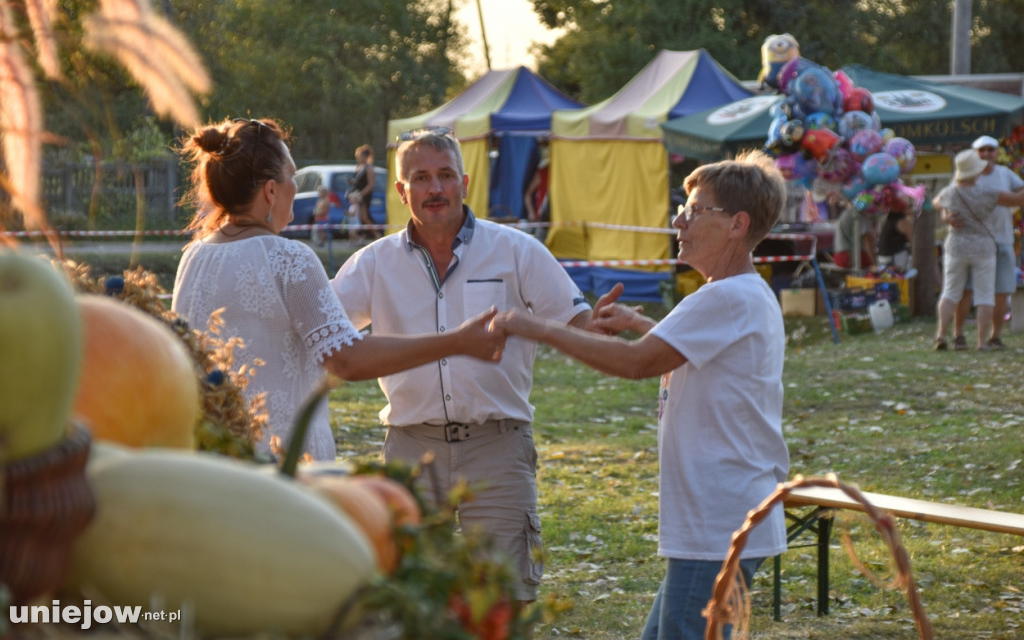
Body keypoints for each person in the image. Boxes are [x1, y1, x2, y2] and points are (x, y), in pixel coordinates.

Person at [492, 151, 790, 640]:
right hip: (728, 518)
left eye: (695, 210)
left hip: (719, 523)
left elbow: (636, 363)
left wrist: (535, 327)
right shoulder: (742, 295)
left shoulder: (724, 297)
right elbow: (700, 358)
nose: (679, 220)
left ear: (737, 225)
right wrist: (641, 324)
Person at [329, 127, 614, 605]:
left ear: (464, 181)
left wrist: (599, 324)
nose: (435, 189)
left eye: (444, 176)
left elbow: (577, 322)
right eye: (420, 178)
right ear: (401, 192)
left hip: (498, 446)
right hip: (411, 449)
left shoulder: (516, 250)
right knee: (413, 598)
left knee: (505, 599)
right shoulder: (373, 263)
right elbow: (326, 333)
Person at [172, 118, 505, 462]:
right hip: (280, 462)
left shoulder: (194, 256)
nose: (293, 187)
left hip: (210, 452)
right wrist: (457, 341)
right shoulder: (288, 258)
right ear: (271, 191)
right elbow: (346, 359)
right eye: (292, 177)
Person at [932, 148, 1024, 351]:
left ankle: (941, 335)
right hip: (983, 248)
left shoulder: (950, 192)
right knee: (984, 295)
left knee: (950, 293)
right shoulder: (988, 193)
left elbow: (935, 203)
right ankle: (982, 342)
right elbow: (1017, 200)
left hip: (956, 246)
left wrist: (946, 215)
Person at [831, 204, 876, 270]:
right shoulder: (861, 215)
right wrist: (875, 263)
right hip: (849, 257)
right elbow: (868, 242)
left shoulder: (849, 212)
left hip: (838, 257)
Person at [347, 144, 377, 240]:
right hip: (357, 195)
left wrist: (361, 195)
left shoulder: (369, 168)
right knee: (359, 217)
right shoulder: (359, 167)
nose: (358, 158)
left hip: (364, 196)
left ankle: (376, 234)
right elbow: (358, 181)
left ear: (365, 156)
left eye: (359, 156)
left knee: (364, 217)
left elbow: (370, 184)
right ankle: (362, 236)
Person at [876, 200, 914, 272]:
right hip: (893, 257)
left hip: (882, 257)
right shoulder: (903, 222)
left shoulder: (890, 221)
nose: (912, 208)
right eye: (910, 206)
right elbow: (913, 241)